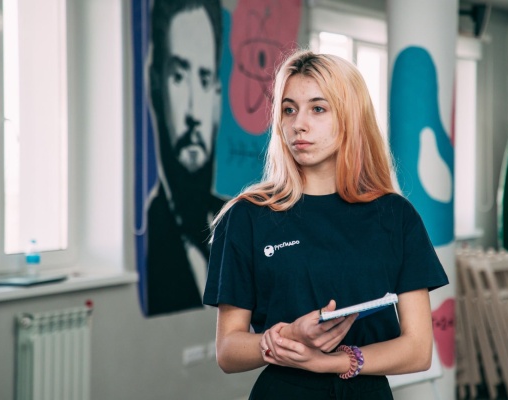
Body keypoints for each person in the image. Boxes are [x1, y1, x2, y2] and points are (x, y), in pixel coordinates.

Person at [203, 50, 449, 399]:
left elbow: (418, 350)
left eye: (318, 109)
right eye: (289, 110)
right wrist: (286, 337)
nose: (298, 124)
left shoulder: (396, 216)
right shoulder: (247, 216)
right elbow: (228, 351)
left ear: (351, 118)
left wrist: (333, 362)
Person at [144, 0, 224, 316]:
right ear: (155, 86)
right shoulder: (152, 232)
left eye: (204, 80)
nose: (193, 113)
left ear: (217, 96)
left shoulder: (234, 224)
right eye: (178, 76)